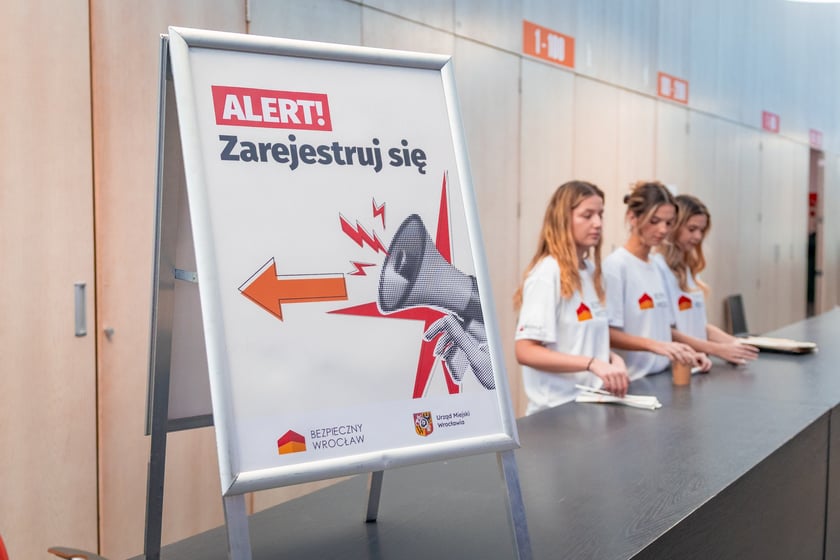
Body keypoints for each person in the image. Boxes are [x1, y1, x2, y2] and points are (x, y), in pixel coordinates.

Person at [514, 180, 629, 414]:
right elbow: (525, 350)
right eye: (587, 215)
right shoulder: (548, 273)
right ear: (563, 219)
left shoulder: (591, 272)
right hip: (557, 411)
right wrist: (592, 364)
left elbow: (578, 342)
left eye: (600, 215)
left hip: (591, 404)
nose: (597, 223)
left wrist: (611, 359)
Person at [603, 181, 709, 380]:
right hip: (633, 380)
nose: (662, 230)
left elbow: (662, 330)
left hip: (661, 376)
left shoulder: (657, 266)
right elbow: (607, 334)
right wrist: (654, 345)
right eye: (654, 221)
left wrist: (686, 353)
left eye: (669, 223)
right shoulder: (616, 266)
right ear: (632, 218)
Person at [654, 194, 759, 365]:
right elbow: (666, 332)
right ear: (674, 226)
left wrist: (738, 344)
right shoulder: (658, 268)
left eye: (702, 231)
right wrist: (716, 349)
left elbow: (699, 326)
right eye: (692, 229)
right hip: (675, 366)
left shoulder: (688, 268)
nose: (698, 237)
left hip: (697, 362)